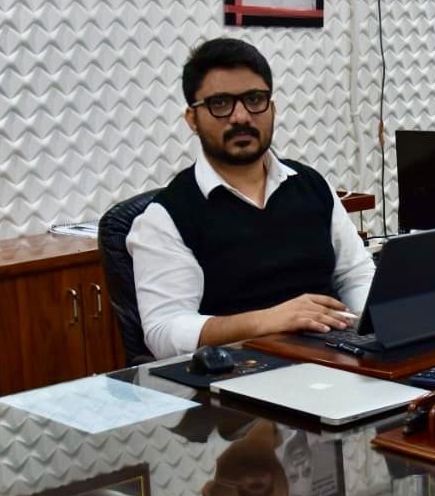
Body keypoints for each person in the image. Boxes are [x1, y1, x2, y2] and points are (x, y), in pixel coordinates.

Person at [127, 38, 373, 359]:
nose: (241, 117)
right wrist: (268, 320)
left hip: (336, 358)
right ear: (192, 119)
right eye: (220, 103)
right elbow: (164, 331)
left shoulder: (311, 185)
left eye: (254, 99)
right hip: (241, 371)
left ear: (272, 108)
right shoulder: (167, 216)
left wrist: (373, 324)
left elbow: (355, 275)